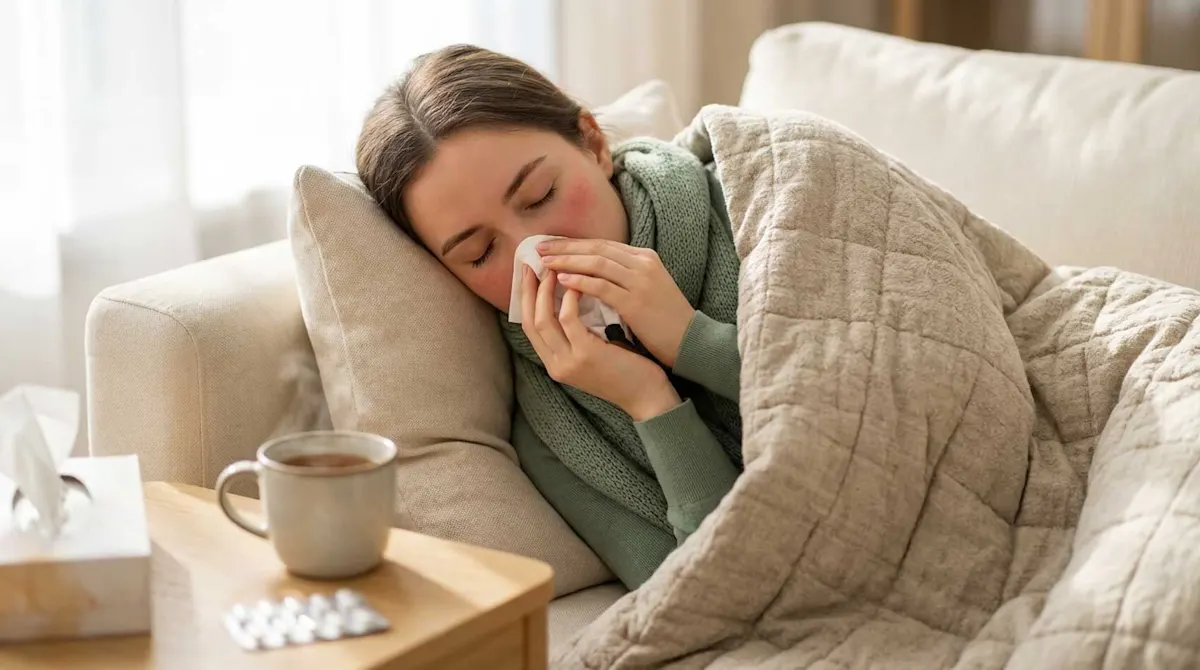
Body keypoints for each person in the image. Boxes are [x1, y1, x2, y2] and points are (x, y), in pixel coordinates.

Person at [356, 45, 742, 589]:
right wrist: (649, 400)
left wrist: (690, 341)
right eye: (480, 253)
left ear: (593, 143)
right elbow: (710, 593)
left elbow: (887, 389)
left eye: (540, 196)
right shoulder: (551, 431)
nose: (535, 251)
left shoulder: (754, 200)